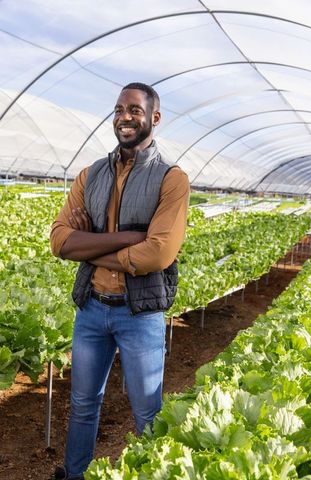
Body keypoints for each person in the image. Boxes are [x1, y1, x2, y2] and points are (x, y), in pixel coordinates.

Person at [50, 82, 190, 480]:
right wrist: (128, 240)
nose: (124, 117)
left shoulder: (171, 179)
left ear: (154, 118)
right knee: (81, 403)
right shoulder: (89, 174)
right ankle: (75, 474)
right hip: (92, 309)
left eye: (134, 110)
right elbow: (59, 240)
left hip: (139, 314)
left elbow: (159, 254)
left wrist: (88, 246)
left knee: (147, 410)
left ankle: (153, 474)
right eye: (118, 110)